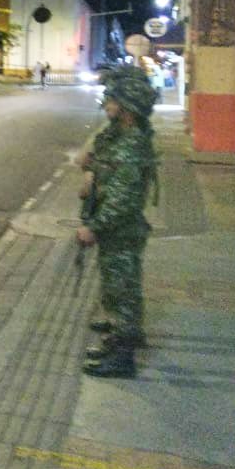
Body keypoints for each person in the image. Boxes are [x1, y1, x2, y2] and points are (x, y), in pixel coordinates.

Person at [76, 72, 159, 378]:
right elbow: (107, 168)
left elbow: (122, 200)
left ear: (126, 108)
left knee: (122, 290)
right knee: (119, 287)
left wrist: (94, 227)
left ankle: (123, 358)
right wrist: (92, 166)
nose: (107, 104)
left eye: (112, 100)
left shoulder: (132, 146)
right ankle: (121, 339)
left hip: (121, 230)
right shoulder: (124, 136)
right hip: (119, 231)